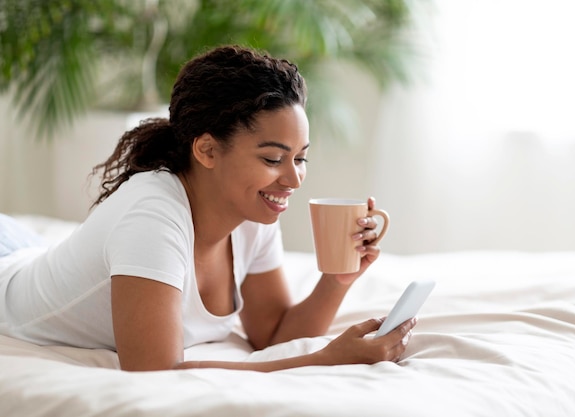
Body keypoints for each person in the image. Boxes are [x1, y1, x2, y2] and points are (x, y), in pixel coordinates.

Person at [0, 45, 415, 372]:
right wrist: (323, 359)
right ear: (207, 149)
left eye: (300, 158)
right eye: (273, 159)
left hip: (28, 252)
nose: (293, 179)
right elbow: (154, 370)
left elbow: (270, 333)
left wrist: (337, 279)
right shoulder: (153, 216)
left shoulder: (254, 210)